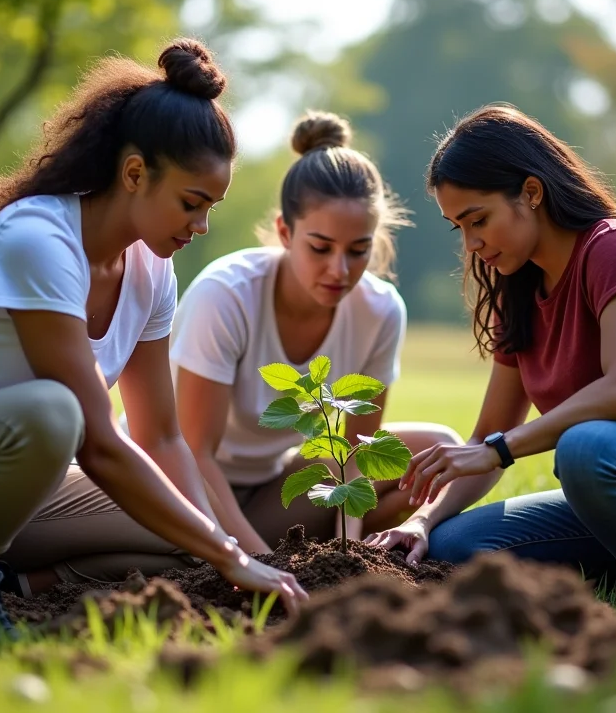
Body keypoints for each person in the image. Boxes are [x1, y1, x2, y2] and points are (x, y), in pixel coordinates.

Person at [0, 38, 307, 635]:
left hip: (12, 488)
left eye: (211, 206)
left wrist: (216, 551)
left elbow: (161, 436)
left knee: (183, 530)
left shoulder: (151, 270)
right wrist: (233, 557)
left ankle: (12, 585)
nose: (202, 225)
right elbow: (98, 441)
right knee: (53, 414)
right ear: (134, 172)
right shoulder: (38, 242)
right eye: (192, 203)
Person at [366, 104, 616, 595]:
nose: (471, 243)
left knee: (587, 446)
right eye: (458, 227)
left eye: (478, 220)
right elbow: (487, 434)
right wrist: (422, 519)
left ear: (531, 192)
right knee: (454, 546)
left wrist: (499, 451)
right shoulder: (520, 290)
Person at [169, 111, 462, 553]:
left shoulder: (380, 310)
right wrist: (260, 564)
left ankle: (349, 549)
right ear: (286, 232)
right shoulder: (226, 294)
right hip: (180, 484)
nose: (340, 270)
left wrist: (348, 552)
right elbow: (195, 456)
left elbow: (355, 456)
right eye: (321, 248)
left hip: (271, 486)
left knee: (441, 451)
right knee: (170, 550)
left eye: (358, 250)